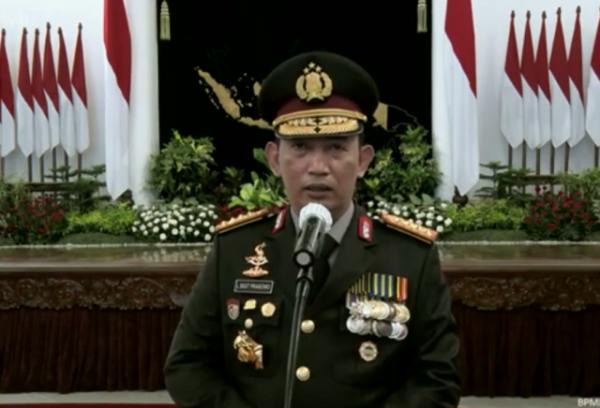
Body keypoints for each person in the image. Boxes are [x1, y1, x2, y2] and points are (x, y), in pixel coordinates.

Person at [164, 51, 460, 408]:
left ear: (363, 160)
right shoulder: (235, 248)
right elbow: (187, 365)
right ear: (275, 159)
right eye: (300, 147)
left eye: (336, 148)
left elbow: (437, 379)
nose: (318, 167)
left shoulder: (410, 257)